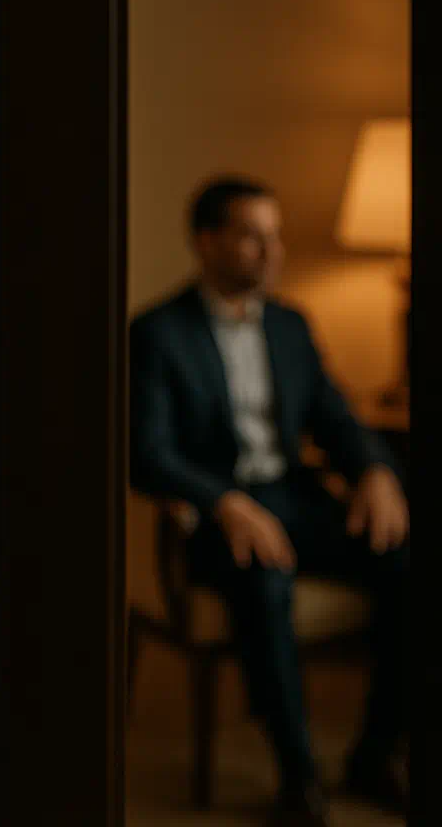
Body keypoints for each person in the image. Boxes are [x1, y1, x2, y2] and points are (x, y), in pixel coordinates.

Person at [129, 177, 409, 827]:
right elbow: (148, 453)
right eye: (253, 235)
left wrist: (376, 470)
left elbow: (336, 419)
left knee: (407, 558)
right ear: (207, 242)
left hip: (293, 497)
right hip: (212, 514)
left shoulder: (290, 324)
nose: (272, 250)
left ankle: (375, 753)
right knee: (265, 583)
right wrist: (222, 499)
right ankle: (298, 775)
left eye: (274, 235)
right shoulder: (158, 332)